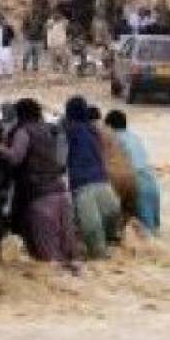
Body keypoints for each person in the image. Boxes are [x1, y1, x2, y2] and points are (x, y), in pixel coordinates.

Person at [0, 98, 78, 266]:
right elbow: (61, 162)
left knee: (49, 258)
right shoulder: (49, 130)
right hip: (61, 195)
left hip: (40, 200)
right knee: (69, 253)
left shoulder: (24, 132)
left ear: (20, 115)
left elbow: (15, 158)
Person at [64, 97, 121, 259]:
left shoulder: (70, 132)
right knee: (110, 236)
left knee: (95, 243)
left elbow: (60, 158)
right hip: (104, 185)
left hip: (83, 188)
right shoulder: (95, 131)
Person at [106, 110, 160, 235]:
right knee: (153, 234)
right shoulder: (135, 137)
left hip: (134, 183)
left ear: (109, 127)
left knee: (141, 237)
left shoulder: (114, 139)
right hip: (152, 183)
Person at [21, 5, 46, 73]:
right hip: (29, 39)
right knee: (26, 54)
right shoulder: (27, 18)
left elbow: (43, 28)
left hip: (38, 39)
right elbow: (23, 28)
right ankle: (24, 66)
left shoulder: (40, 19)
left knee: (36, 55)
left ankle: (35, 67)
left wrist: (42, 37)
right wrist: (26, 34)